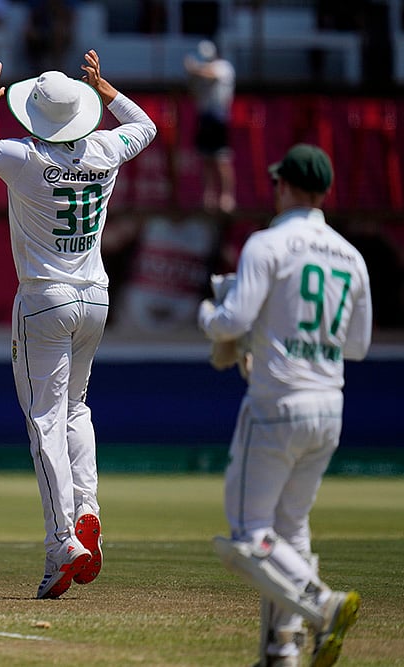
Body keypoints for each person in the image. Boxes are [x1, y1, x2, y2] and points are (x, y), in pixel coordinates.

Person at [0, 53, 156, 599]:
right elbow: (146, 126)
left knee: (44, 421)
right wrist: (105, 88)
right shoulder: (104, 149)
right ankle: (86, 508)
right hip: (95, 297)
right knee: (75, 408)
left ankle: (63, 542)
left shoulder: (25, 157)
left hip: (44, 299)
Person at [198, 144, 371, 667]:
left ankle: (324, 604)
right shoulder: (351, 256)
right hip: (329, 406)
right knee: (290, 529)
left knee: (248, 535)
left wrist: (208, 314)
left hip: (277, 403)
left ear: (286, 186)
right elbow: (358, 345)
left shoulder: (267, 243)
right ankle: (281, 650)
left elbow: (231, 322)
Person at [184, 40, 236, 214]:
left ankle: (227, 196)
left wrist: (194, 68)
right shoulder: (200, 73)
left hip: (219, 118)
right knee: (206, 158)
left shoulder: (223, 67)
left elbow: (212, 75)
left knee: (221, 158)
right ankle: (209, 196)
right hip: (204, 117)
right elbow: (194, 92)